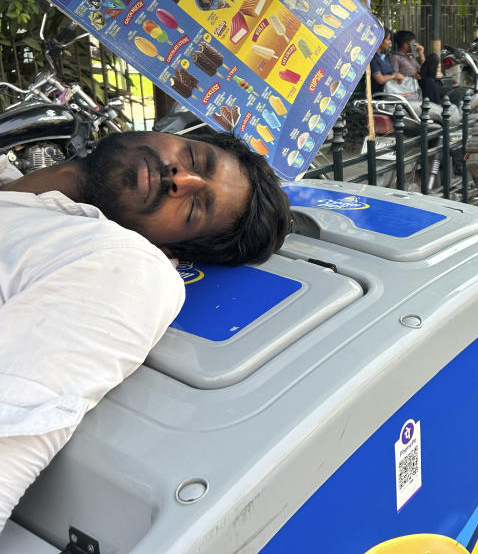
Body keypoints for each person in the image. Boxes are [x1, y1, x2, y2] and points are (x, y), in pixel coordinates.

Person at [0, 130, 290, 530]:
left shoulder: (127, 267)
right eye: (193, 156)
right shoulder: (15, 186)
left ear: (172, 250)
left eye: (194, 209)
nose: (181, 180)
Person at [369, 29, 401, 94]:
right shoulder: (373, 59)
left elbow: (392, 73)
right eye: (388, 39)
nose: (390, 42)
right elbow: (380, 79)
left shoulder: (384, 57)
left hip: (392, 90)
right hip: (381, 96)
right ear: (380, 40)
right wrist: (394, 76)